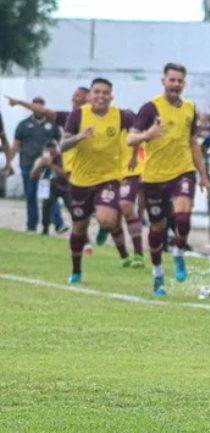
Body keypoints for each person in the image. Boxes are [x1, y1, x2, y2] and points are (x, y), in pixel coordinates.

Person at [128, 63, 210, 296]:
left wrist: (203, 176)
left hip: (183, 171)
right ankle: (157, 273)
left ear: (184, 83)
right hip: (154, 178)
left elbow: (193, 142)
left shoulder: (190, 108)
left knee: (183, 216)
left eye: (179, 81)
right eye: (171, 80)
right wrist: (147, 134)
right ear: (163, 81)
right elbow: (130, 140)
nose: (175, 84)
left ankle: (178, 251)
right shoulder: (150, 108)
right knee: (157, 229)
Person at [60, 78, 136, 283]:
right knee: (79, 229)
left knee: (107, 219)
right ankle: (76, 270)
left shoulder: (121, 116)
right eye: (97, 92)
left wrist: (137, 152)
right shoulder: (78, 115)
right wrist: (79, 137)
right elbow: (62, 145)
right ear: (89, 95)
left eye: (105, 93)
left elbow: (140, 131)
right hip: (80, 181)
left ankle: (105, 224)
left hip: (108, 178)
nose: (101, 96)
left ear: (111, 96)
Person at [7, 97, 65, 233]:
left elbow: (61, 144)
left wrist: (60, 161)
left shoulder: (52, 125)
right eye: (35, 106)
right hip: (27, 163)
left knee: (49, 195)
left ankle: (58, 223)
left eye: (40, 106)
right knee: (30, 195)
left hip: (46, 165)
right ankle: (31, 225)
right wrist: (9, 162)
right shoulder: (23, 125)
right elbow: (16, 145)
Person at [30, 142, 70, 233]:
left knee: (71, 206)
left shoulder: (62, 158)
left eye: (51, 153)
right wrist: (38, 166)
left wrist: (51, 165)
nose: (49, 155)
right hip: (49, 186)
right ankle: (45, 228)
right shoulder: (41, 160)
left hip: (64, 187)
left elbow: (66, 175)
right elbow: (32, 177)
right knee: (46, 206)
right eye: (47, 153)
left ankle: (79, 229)